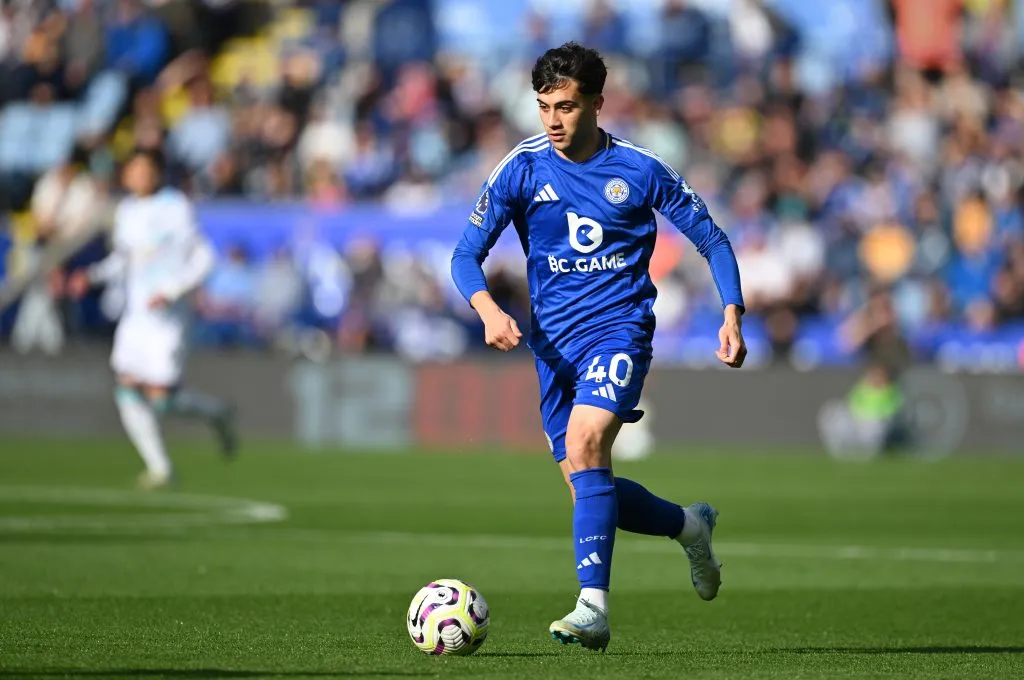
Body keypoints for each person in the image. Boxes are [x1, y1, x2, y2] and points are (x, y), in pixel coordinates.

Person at [450, 42, 747, 651]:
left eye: (565, 106)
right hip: (552, 348)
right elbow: (464, 255)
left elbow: (712, 238)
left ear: (596, 104)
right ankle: (691, 527)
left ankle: (593, 609)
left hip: (619, 332)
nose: (553, 121)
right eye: (543, 107)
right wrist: (486, 309)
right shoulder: (523, 167)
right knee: (590, 485)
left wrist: (732, 313)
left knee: (587, 445)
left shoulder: (638, 169)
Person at [68, 149, 237, 489]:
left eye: (145, 169)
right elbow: (123, 259)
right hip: (135, 318)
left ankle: (216, 414)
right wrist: (92, 276)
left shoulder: (176, 208)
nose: (139, 176)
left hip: (167, 318)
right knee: (127, 389)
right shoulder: (127, 210)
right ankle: (160, 467)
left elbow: (203, 258)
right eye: (133, 170)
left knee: (162, 401)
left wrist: (172, 291)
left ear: (157, 173)